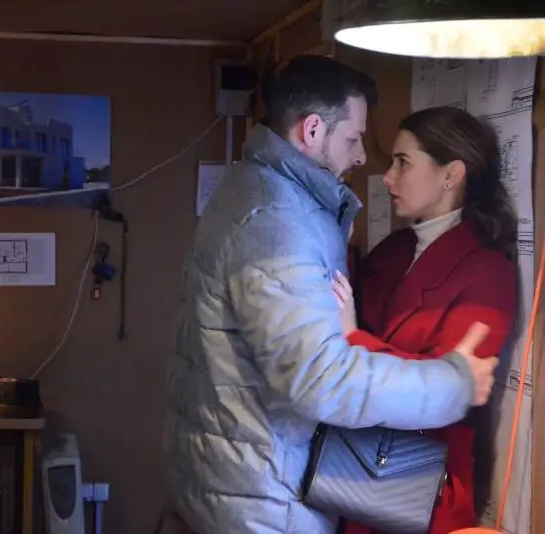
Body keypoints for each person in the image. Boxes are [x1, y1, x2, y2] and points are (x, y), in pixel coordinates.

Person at [164, 55, 500, 534]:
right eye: (353, 138)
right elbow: (320, 378)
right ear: (312, 130)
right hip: (265, 500)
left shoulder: (252, 189)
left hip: (247, 479)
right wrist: (454, 385)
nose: (363, 157)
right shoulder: (279, 222)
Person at [334, 106, 518, 534]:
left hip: (422, 488)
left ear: (451, 174)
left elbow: (448, 390)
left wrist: (352, 338)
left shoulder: (487, 271)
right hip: (354, 467)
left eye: (403, 163)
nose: (388, 177)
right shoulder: (395, 249)